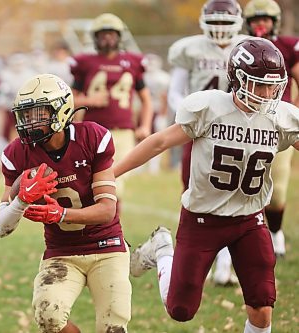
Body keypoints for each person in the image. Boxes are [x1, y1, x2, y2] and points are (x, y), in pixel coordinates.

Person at [113, 37, 297, 333]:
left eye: (272, 85)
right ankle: (162, 251)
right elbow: (159, 142)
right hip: (202, 219)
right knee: (181, 310)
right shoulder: (210, 108)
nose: (267, 93)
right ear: (237, 79)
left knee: (262, 305)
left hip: (250, 219)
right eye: (258, 84)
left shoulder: (281, 118)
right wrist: (112, 173)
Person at [0, 74, 131, 333]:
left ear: (61, 110)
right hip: (62, 252)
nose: (29, 122)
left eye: (38, 114)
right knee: (48, 316)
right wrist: (20, 198)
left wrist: (60, 214)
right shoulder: (17, 153)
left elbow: (106, 210)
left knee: (113, 327)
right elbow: (1, 228)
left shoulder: (93, 137)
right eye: (26, 115)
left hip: (106, 246)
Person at [167, 0, 247, 285]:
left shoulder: (249, 46)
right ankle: (197, 256)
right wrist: (195, 116)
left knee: (235, 192)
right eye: (216, 22)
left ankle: (226, 262)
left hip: (238, 130)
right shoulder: (189, 48)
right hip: (199, 130)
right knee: (193, 192)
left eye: (227, 22)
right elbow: (174, 93)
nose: (221, 28)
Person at [70, 13, 153, 194]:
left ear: (119, 36)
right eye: (103, 34)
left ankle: (109, 220)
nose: (107, 38)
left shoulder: (132, 61)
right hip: (91, 130)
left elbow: (146, 99)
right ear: (95, 37)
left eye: (112, 34)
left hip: (123, 130)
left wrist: (145, 126)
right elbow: (69, 98)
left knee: (114, 181)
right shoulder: (84, 62)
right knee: (90, 179)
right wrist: (89, 101)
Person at [243, 0, 299, 257]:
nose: (260, 24)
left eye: (265, 19)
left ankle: (276, 233)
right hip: (247, 121)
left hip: (279, 122)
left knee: (277, 192)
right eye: (256, 20)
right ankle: (245, 237)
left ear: (275, 22)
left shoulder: (287, 45)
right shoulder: (242, 45)